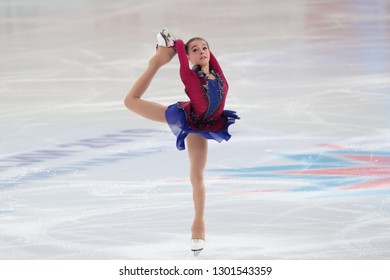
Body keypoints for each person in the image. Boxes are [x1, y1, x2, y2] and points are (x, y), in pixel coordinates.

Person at [124, 28, 239, 255]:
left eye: (204, 48)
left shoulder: (218, 73)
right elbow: (182, 51)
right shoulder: (189, 76)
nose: (202, 52)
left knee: (197, 176)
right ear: (188, 57)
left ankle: (199, 224)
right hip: (189, 120)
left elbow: (207, 54)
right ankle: (154, 63)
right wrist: (173, 47)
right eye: (195, 50)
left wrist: (189, 46)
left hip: (207, 124)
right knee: (131, 101)